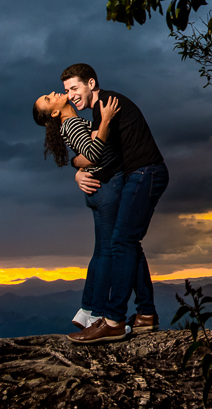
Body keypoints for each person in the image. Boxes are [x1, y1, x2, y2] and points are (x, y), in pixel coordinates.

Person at [59, 62, 169, 344]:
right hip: (141, 174)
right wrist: (77, 170)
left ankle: (113, 320)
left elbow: (95, 156)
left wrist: (77, 166)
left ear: (91, 84)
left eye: (74, 88)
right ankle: (145, 315)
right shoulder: (101, 109)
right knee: (129, 242)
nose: (71, 95)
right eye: (67, 91)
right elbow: (100, 156)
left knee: (121, 242)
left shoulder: (105, 105)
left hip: (145, 173)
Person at [32, 90, 129, 332]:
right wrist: (106, 120)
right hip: (104, 189)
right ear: (55, 112)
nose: (52, 93)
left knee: (100, 252)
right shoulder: (72, 124)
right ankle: (98, 314)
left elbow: (85, 153)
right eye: (48, 99)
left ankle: (87, 310)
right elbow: (94, 154)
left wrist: (77, 167)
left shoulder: (72, 123)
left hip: (96, 192)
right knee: (108, 253)